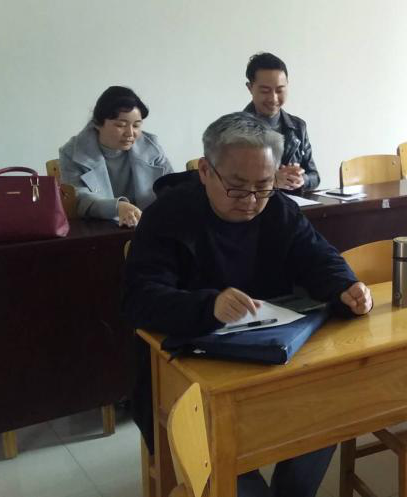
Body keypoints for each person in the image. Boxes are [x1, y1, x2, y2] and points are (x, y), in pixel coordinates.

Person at [123, 112, 372, 497]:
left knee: (327, 412)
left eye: (264, 186)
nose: (252, 201)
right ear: (205, 170)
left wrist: (345, 287)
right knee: (225, 467)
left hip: (269, 356)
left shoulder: (278, 209)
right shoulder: (167, 217)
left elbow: (319, 257)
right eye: (237, 188)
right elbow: (140, 298)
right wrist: (208, 307)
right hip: (187, 369)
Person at [59, 86, 173, 227]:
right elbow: (78, 198)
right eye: (121, 125)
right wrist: (117, 207)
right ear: (97, 124)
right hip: (98, 229)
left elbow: (172, 187)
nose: (130, 133)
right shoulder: (72, 152)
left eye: (136, 125)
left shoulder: (151, 147)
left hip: (147, 227)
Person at [243, 52, 320, 192]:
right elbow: (226, 181)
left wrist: (301, 179)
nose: (273, 98)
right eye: (265, 91)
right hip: (252, 204)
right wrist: (271, 181)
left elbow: (314, 176)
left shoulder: (298, 127)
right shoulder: (234, 130)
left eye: (279, 90)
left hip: (293, 203)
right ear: (250, 88)